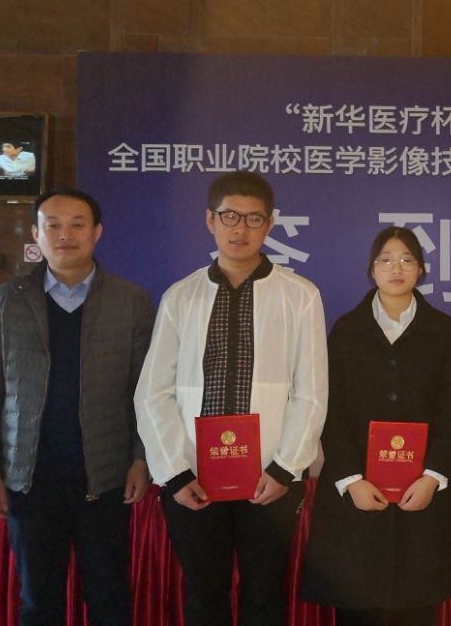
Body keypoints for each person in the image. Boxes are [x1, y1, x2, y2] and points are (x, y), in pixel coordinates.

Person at [134, 170, 328, 626]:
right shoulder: (181, 297)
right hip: (195, 478)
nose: (240, 229)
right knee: (204, 596)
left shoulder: (300, 296)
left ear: (269, 224)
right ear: (210, 220)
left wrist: (284, 468)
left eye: (253, 218)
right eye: (229, 216)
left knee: (265, 595)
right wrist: (175, 472)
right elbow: (153, 392)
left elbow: (312, 392)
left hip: (270, 479)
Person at [0, 187, 155, 626]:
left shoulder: (131, 301)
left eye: (77, 224)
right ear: (36, 233)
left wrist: (141, 458)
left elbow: (146, 391)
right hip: (28, 481)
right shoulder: (4, 301)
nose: (65, 234)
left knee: (109, 600)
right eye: (53, 225)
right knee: (38, 602)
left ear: (97, 232)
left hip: (105, 478)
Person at [302, 226, 451, 626]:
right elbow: (330, 410)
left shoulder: (442, 329)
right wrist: (351, 480)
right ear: (371, 270)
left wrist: (432, 476)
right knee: (357, 607)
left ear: (420, 270)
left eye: (407, 260)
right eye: (386, 260)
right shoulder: (346, 330)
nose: (397, 268)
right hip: (358, 493)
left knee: (417, 605)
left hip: (422, 494)